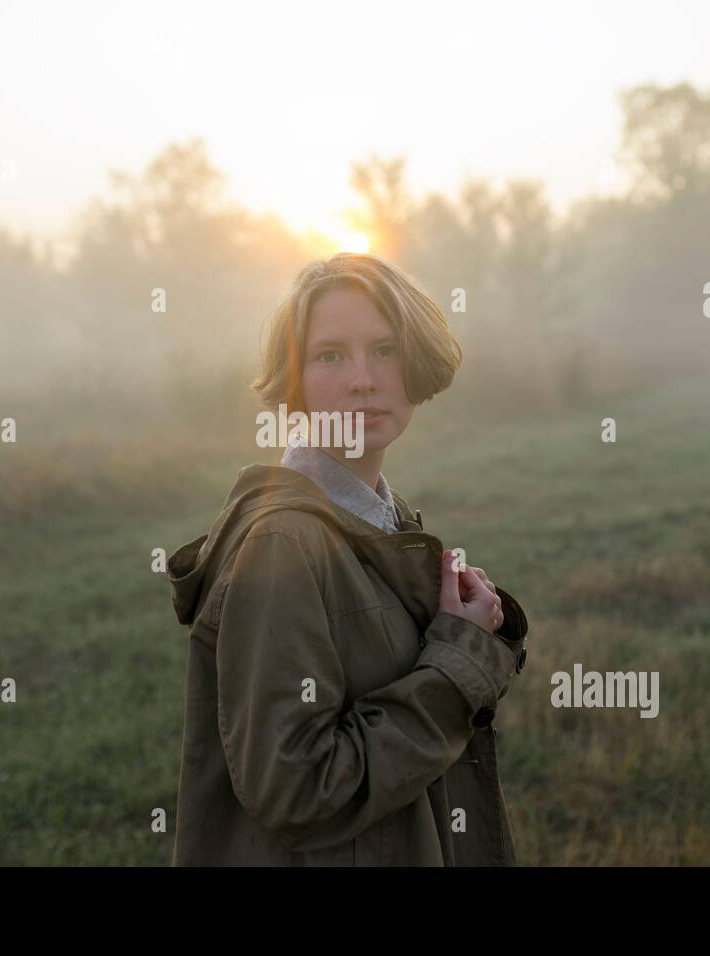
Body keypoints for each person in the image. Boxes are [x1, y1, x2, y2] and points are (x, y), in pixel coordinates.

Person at [166, 252, 529, 865]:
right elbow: (297, 788)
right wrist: (453, 666)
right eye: (330, 355)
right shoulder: (279, 548)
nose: (363, 378)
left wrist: (466, 631)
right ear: (296, 377)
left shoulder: (383, 516)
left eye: (384, 350)